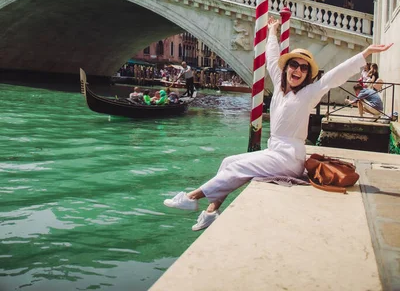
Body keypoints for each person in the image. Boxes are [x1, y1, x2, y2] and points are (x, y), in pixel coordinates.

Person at [163, 17, 393, 232]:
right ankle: (212, 210)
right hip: (275, 151)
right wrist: (273, 31)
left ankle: (191, 198)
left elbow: (334, 76)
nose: (298, 70)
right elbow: (272, 56)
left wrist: (365, 54)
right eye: (294, 65)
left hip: (290, 157)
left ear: (307, 75)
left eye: (304, 68)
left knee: (237, 168)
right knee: (228, 161)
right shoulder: (280, 84)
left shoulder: (309, 93)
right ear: (287, 68)